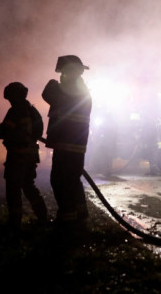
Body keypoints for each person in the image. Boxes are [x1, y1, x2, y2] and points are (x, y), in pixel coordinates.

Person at [0, 82, 48, 229]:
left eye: (10, 98)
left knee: (13, 189)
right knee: (28, 186)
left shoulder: (15, 111)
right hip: (31, 156)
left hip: (17, 156)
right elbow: (37, 132)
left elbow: (5, 129)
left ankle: (15, 223)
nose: (10, 101)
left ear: (15, 96)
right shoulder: (32, 110)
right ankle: (43, 217)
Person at [42, 55, 92, 227]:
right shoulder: (81, 90)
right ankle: (80, 213)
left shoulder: (69, 91)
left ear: (69, 71)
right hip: (75, 145)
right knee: (72, 180)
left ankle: (67, 218)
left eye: (63, 72)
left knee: (59, 180)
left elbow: (48, 94)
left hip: (66, 144)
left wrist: (54, 84)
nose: (60, 75)